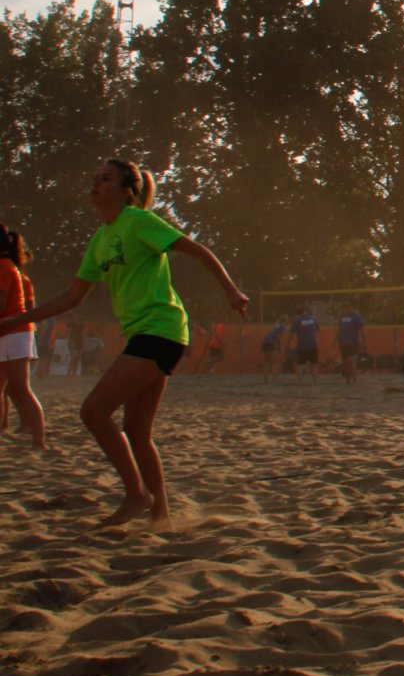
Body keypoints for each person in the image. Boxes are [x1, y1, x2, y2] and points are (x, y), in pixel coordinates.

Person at [0, 159, 249, 527]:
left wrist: (231, 291)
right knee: (136, 430)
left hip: (161, 328)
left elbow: (197, 250)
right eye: (94, 177)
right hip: (144, 333)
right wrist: (14, 321)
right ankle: (161, 516)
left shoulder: (138, 221)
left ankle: (137, 495)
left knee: (93, 411)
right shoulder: (100, 239)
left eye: (105, 179)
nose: (96, 183)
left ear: (126, 191)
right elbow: (71, 297)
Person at [0, 223, 44, 450]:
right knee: (8, 389)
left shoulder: (4, 267)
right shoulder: (7, 267)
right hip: (8, 333)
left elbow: (2, 304)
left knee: (19, 388)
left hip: (14, 332)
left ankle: (39, 440)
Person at [336, 302, 366, 385]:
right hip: (343, 341)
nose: (347, 308)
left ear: (352, 307)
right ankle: (348, 378)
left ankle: (353, 377)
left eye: (348, 307)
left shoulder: (356, 316)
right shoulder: (342, 316)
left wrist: (364, 342)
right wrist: (335, 339)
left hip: (353, 341)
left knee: (350, 360)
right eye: (345, 307)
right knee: (345, 361)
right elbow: (339, 328)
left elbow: (362, 329)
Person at [290, 303, 320, 377]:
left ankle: (300, 382)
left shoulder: (297, 320)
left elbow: (291, 333)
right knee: (314, 364)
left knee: (300, 364)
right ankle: (315, 381)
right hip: (312, 344)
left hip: (302, 345)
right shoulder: (313, 318)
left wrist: (289, 343)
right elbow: (318, 330)